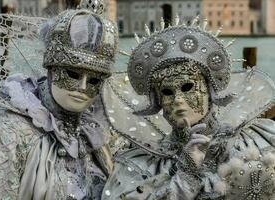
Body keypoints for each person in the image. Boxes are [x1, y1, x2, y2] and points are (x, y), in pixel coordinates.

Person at [101, 17, 275, 199]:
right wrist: (185, 175)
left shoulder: (257, 139)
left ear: (209, 90)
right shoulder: (141, 164)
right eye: (167, 92)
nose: (178, 100)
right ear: (158, 101)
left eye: (187, 87)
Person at [0, 3, 118, 199]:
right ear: (52, 69)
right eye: (72, 74)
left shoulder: (98, 131)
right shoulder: (5, 130)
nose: (83, 88)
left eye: (94, 80)